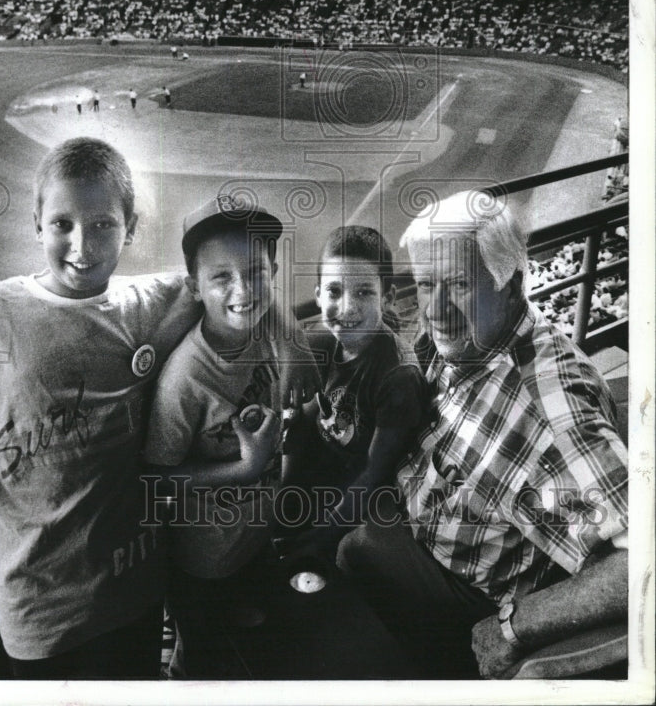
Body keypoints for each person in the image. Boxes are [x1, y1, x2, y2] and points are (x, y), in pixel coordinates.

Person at [0, 137, 200, 679]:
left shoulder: (152, 303)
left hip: (139, 592)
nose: (82, 245)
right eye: (62, 225)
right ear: (37, 224)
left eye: (103, 225)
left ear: (132, 226)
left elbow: (222, 284)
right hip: (42, 616)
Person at [336, 190, 628, 679]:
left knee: (350, 553)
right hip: (412, 517)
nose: (436, 311)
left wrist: (516, 625)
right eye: (426, 285)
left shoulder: (552, 409)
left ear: (511, 283)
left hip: (457, 596)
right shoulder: (466, 336)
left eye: (458, 285)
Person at [143, 195, 320, 678]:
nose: (243, 288)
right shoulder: (185, 381)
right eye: (221, 276)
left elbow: (263, 302)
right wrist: (242, 467)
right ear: (194, 288)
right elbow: (154, 483)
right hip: (204, 561)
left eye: (256, 272)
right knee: (200, 655)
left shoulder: (268, 329)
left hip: (255, 536)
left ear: (273, 270)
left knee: (252, 624)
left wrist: (297, 342)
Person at [285, 226, 427, 557]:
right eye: (335, 292)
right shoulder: (318, 345)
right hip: (322, 478)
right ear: (318, 294)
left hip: (364, 502)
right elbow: (304, 424)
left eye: (363, 293)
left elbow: (374, 475)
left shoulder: (398, 377)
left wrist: (317, 538)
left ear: (388, 297)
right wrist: (284, 494)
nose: (347, 309)